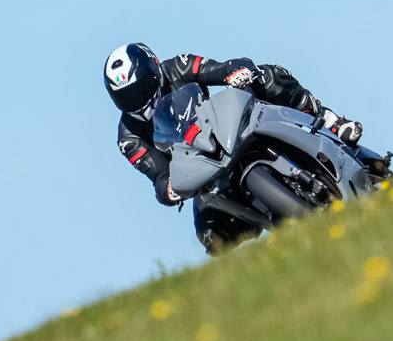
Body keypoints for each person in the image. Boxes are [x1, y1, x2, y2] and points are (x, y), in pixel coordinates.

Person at [103, 42, 363, 253]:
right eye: (126, 97)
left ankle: (330, 120)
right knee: (211, 236)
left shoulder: (178, 66)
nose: (139, 100)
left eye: (142, 88)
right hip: (202, 171)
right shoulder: (128, 138)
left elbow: (220, 68)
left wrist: (237, 72)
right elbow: (159, 177)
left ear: (155, 69)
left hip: (222, 129)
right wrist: (169, 191)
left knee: (269, 77)